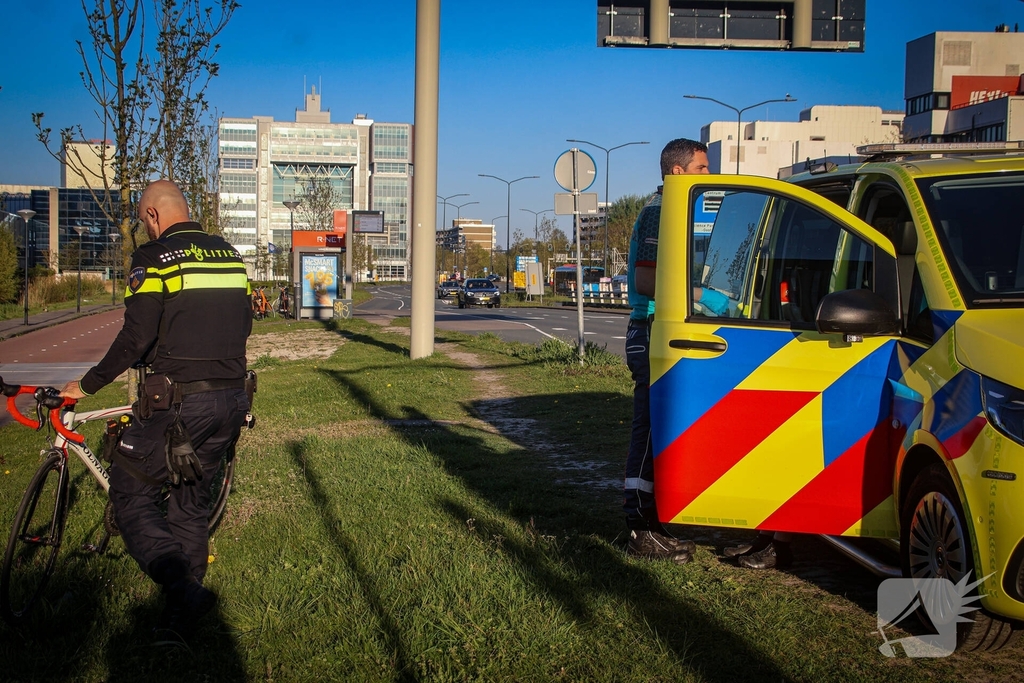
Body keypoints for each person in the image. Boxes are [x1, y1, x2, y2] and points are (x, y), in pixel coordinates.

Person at [61, 180, 252, 640]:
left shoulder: (156, 258)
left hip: (179, 404)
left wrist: (87, 384)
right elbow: (243, 323)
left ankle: (180, 587)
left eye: (143, 221)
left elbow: (136, 336)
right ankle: (183, 618)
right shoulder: (229, 256)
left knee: (130, 495)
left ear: (152, 215)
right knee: (190, 502)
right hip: (232, 399)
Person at [624, 138, 717, 563]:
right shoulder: (658, 213)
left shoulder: (675, 212)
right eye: (702, 168)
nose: (709, 174)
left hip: (659, 329)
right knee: (649, 430)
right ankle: (641, 529)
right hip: (650, 331)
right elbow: (647, 282)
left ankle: (655, 523)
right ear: (677, 172)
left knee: (662, 431)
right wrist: (707, 298)